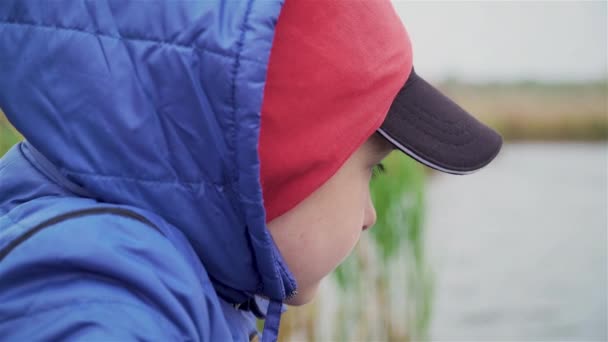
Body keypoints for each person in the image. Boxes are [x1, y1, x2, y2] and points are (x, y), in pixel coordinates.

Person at [0, 1, 502, 341]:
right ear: (276, 158)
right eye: (373, 171)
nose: (370, 215)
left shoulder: (165, 274)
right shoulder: (103, 306)